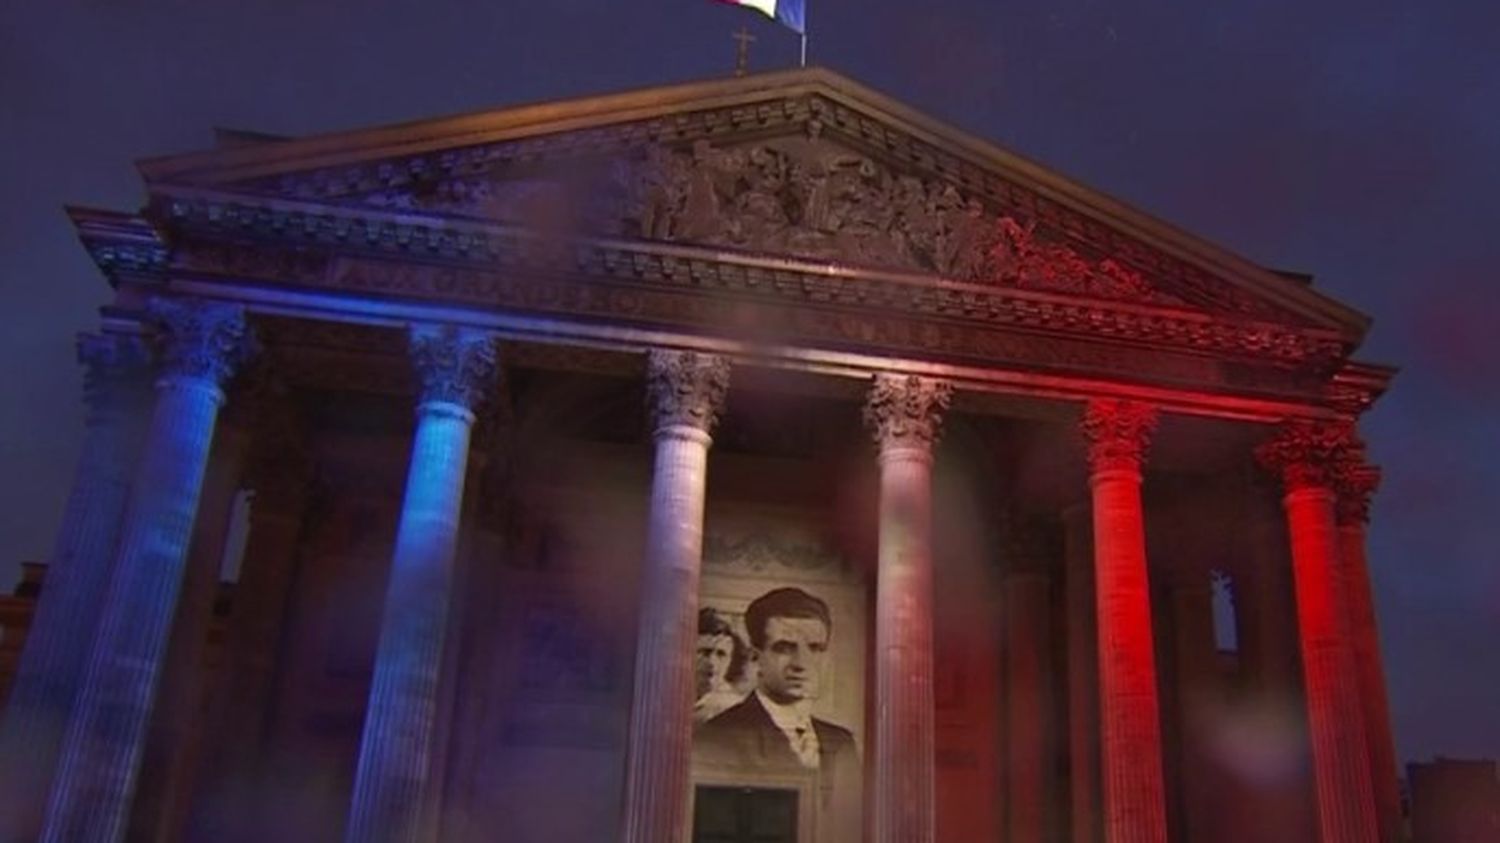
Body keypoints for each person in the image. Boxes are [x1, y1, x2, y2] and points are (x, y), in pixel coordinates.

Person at [695, 587, 856, 772]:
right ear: (756, 657)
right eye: (785, 648)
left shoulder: (843, 742)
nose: (801, 664)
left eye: (815, 648)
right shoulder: (718, 736)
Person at [694, 608, 747, 724]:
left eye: (721, 654)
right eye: (705, 652)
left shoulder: (736, 710)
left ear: (732, 661)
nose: (712, 662)